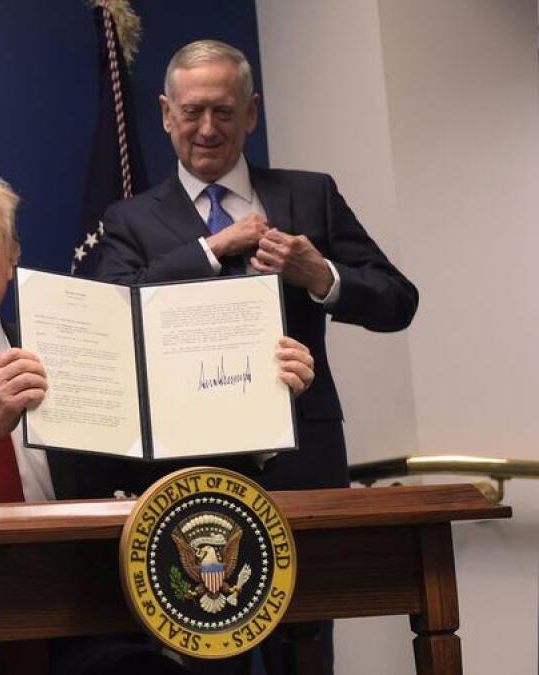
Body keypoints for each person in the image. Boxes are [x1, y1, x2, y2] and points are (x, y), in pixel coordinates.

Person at [0, 175, 315, 674]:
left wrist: (261, 404)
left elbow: (154, 465)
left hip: (77, 620)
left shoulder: (76, 344)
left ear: (11, 259)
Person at [95, 39, 419, 674]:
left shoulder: (309, 195)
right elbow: (112, 313)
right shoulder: (130, 219)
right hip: (191, 471)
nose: (207, 129)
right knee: (213, 648)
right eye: (191, 112)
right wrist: (213, 249)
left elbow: (397, 301)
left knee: (309, 646)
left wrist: (319, 272)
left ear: (252, 113)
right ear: (165, 114)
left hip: (303, 458)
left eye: (224, 111)